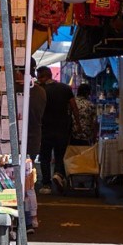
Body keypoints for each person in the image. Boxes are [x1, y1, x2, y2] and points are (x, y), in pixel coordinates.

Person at [36, 66, 80, 195]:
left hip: (45, 128)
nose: (39, 80)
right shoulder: (65, 88)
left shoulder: (40, 90)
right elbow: (74, 108)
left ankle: (46, 184)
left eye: (39, 77)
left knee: (45, 157)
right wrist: (78, 124)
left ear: (44, 77)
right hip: (62, 128)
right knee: (60, 154)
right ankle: (58, 174)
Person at [15, 59, 45, 231]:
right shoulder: (40, 91)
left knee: (21, 182)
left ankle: (25, 220)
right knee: (28, 182)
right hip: (33, 140)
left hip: (20, 140)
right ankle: (31, 219)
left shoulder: (21, 90)